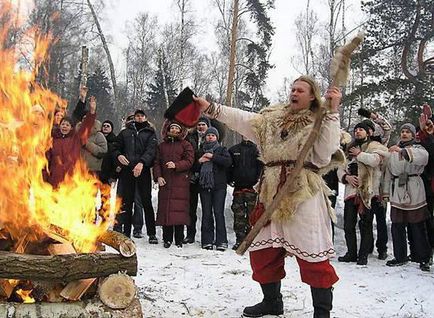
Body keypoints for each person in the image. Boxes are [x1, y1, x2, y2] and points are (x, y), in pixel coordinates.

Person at [194, 76, 343, 317]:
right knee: (262, 251)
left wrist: (332, 112)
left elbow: (325, 155)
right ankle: (272, 302)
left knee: (313, 254)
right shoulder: (272, 120)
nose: (294, 93)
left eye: (300, 90)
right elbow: (241, 119)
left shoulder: (320, 120)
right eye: (292, 89)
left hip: (302, 192)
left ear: (312, 96)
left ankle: (322, 311)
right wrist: (211, 108)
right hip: (270, 191)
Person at [337, 121, 388, 265]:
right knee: (348, 225)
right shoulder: (348, 148)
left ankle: (363, 255)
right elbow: (340, 167)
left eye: (361, 129)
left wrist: (359, 154)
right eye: (356, 130)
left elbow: (374, 161)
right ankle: (351, 253)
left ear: (368, 132)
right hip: (351, 192)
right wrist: (346, 177)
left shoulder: (375, 146)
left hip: (367, 192)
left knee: (365, 225)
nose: (358, 132)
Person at [383, 123, 431, 271]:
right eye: (402, 131)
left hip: (414, 186)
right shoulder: (393, 151)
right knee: (397, 225)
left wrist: (402, 151)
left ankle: (424, 258)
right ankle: (400, 256)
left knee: (417, 225)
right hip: (398, 188)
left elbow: (423, 158)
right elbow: (388, 174)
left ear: (412, 135)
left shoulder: (419, 148)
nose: (404, 134)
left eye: (407, 132)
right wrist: (385, 192)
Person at [113, 109, 158, 241]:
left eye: (141, 116)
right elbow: (115, 147)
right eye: (136, 116)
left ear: (145, 118)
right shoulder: (125, 133)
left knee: (146, 202)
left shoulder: (150, 133)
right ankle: (126, 232)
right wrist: (119, 156)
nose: (139, 118)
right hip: (127, 171)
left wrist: (142, 163)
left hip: (142, 171)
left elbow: (151, 150)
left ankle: (152, 233)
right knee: (127, 202)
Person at [153, 121, 194, 248]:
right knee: (166, 210)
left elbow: (189, 161)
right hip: (165, 181)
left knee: (179, 211)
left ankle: (179, 239)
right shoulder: (162, 146)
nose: (174, 130)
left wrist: (176, 165)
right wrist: (158, 176)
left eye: (177, 128)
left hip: (180, 182)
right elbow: (156, 163)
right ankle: (167, 239)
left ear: (181, 131)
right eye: (172, 127)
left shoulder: (186, 144)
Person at [45, 96, 97, 188]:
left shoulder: (76, 139)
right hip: (54, 179)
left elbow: (86, 127)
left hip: (71, 179)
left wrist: (92, 112)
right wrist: (44, 180)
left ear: (71, 127)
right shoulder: (53, 139)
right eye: (63, 124)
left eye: (67, 125)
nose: (64, 126)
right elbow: (46, 161)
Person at [198, 127, 232, 251]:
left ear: (217, 137)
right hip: (204, 186)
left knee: (219, 213)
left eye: (212, 135)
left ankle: (221, 241)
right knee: (206, 213)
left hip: (219, 186)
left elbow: (228, 162)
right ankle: (207, 240)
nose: (210, 137)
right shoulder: (200, 150)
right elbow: (194, 167)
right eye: (208, 135)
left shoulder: (222, 149)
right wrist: (200, 161)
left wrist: (212, 157)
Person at [228, 136, 263, 250]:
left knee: (252, 215)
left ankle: (251, 239)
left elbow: (262, 168)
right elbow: (229, 167)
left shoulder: (258, 151)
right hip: (238, 188)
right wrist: (229, 180)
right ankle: (239, 240)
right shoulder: (234, 150)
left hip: (252, 189)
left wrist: (259, 181)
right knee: (238, 215)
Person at [183, 116, 211, 244]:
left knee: (207, 209)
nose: (200, 127)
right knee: (191, 208)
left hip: (206, 177)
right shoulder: (190, 138)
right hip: (192, 176)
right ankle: (190, 234)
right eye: (199, 124)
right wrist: (197, 162)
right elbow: (188, 155)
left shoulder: (212, 138)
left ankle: (207, 237)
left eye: (203, 125)